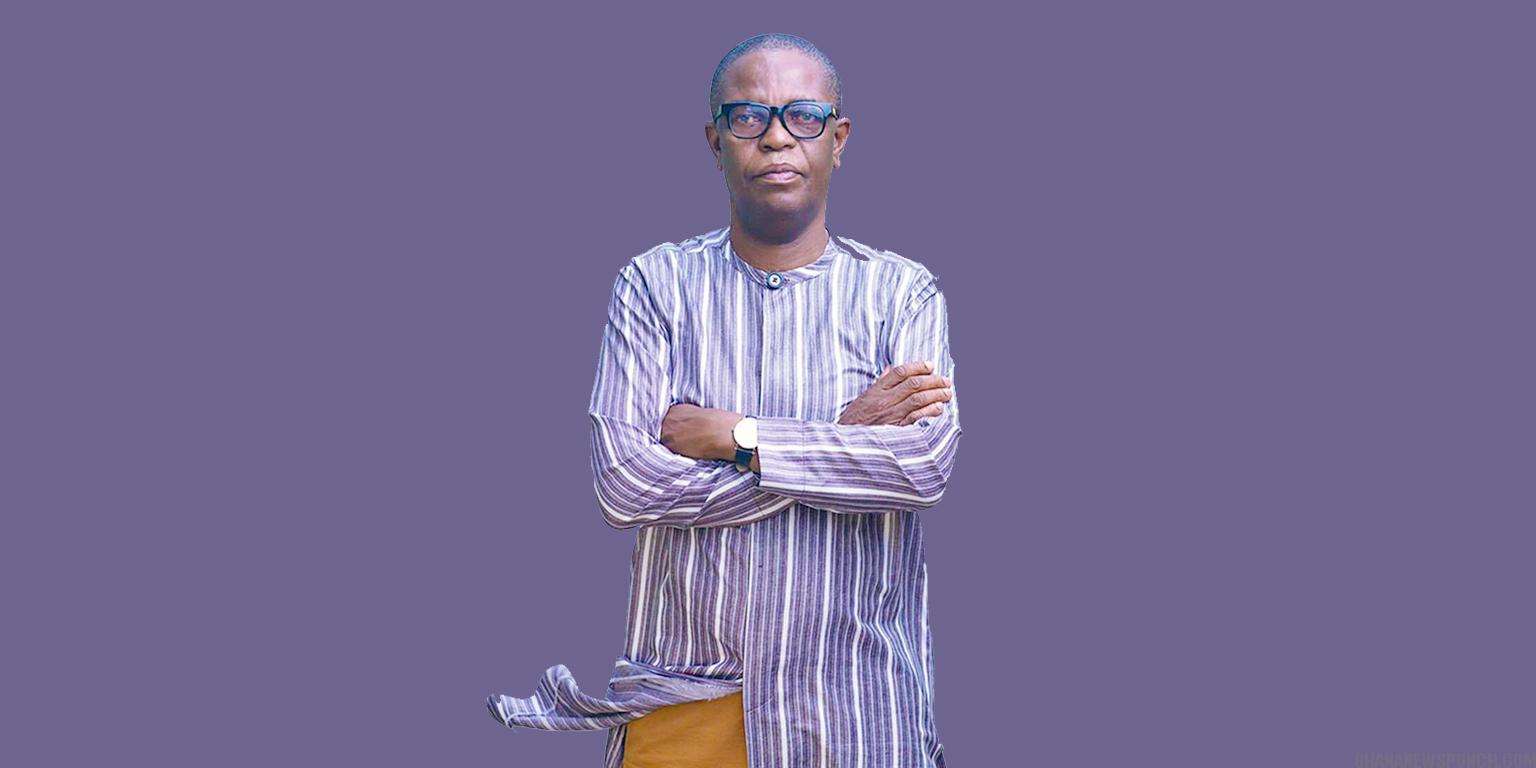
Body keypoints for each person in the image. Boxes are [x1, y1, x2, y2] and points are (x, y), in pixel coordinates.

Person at [486, 32, 963, 768]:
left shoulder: (901, 293)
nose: (776, 137)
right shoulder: (654, 286)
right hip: (688, 708)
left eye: (803, 116)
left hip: (856, 713)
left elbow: (922, 467)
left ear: (839, 139)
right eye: (749, 117)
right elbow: (625, 484)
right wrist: (838, 440)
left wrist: (737, 436)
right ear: (716, 142)